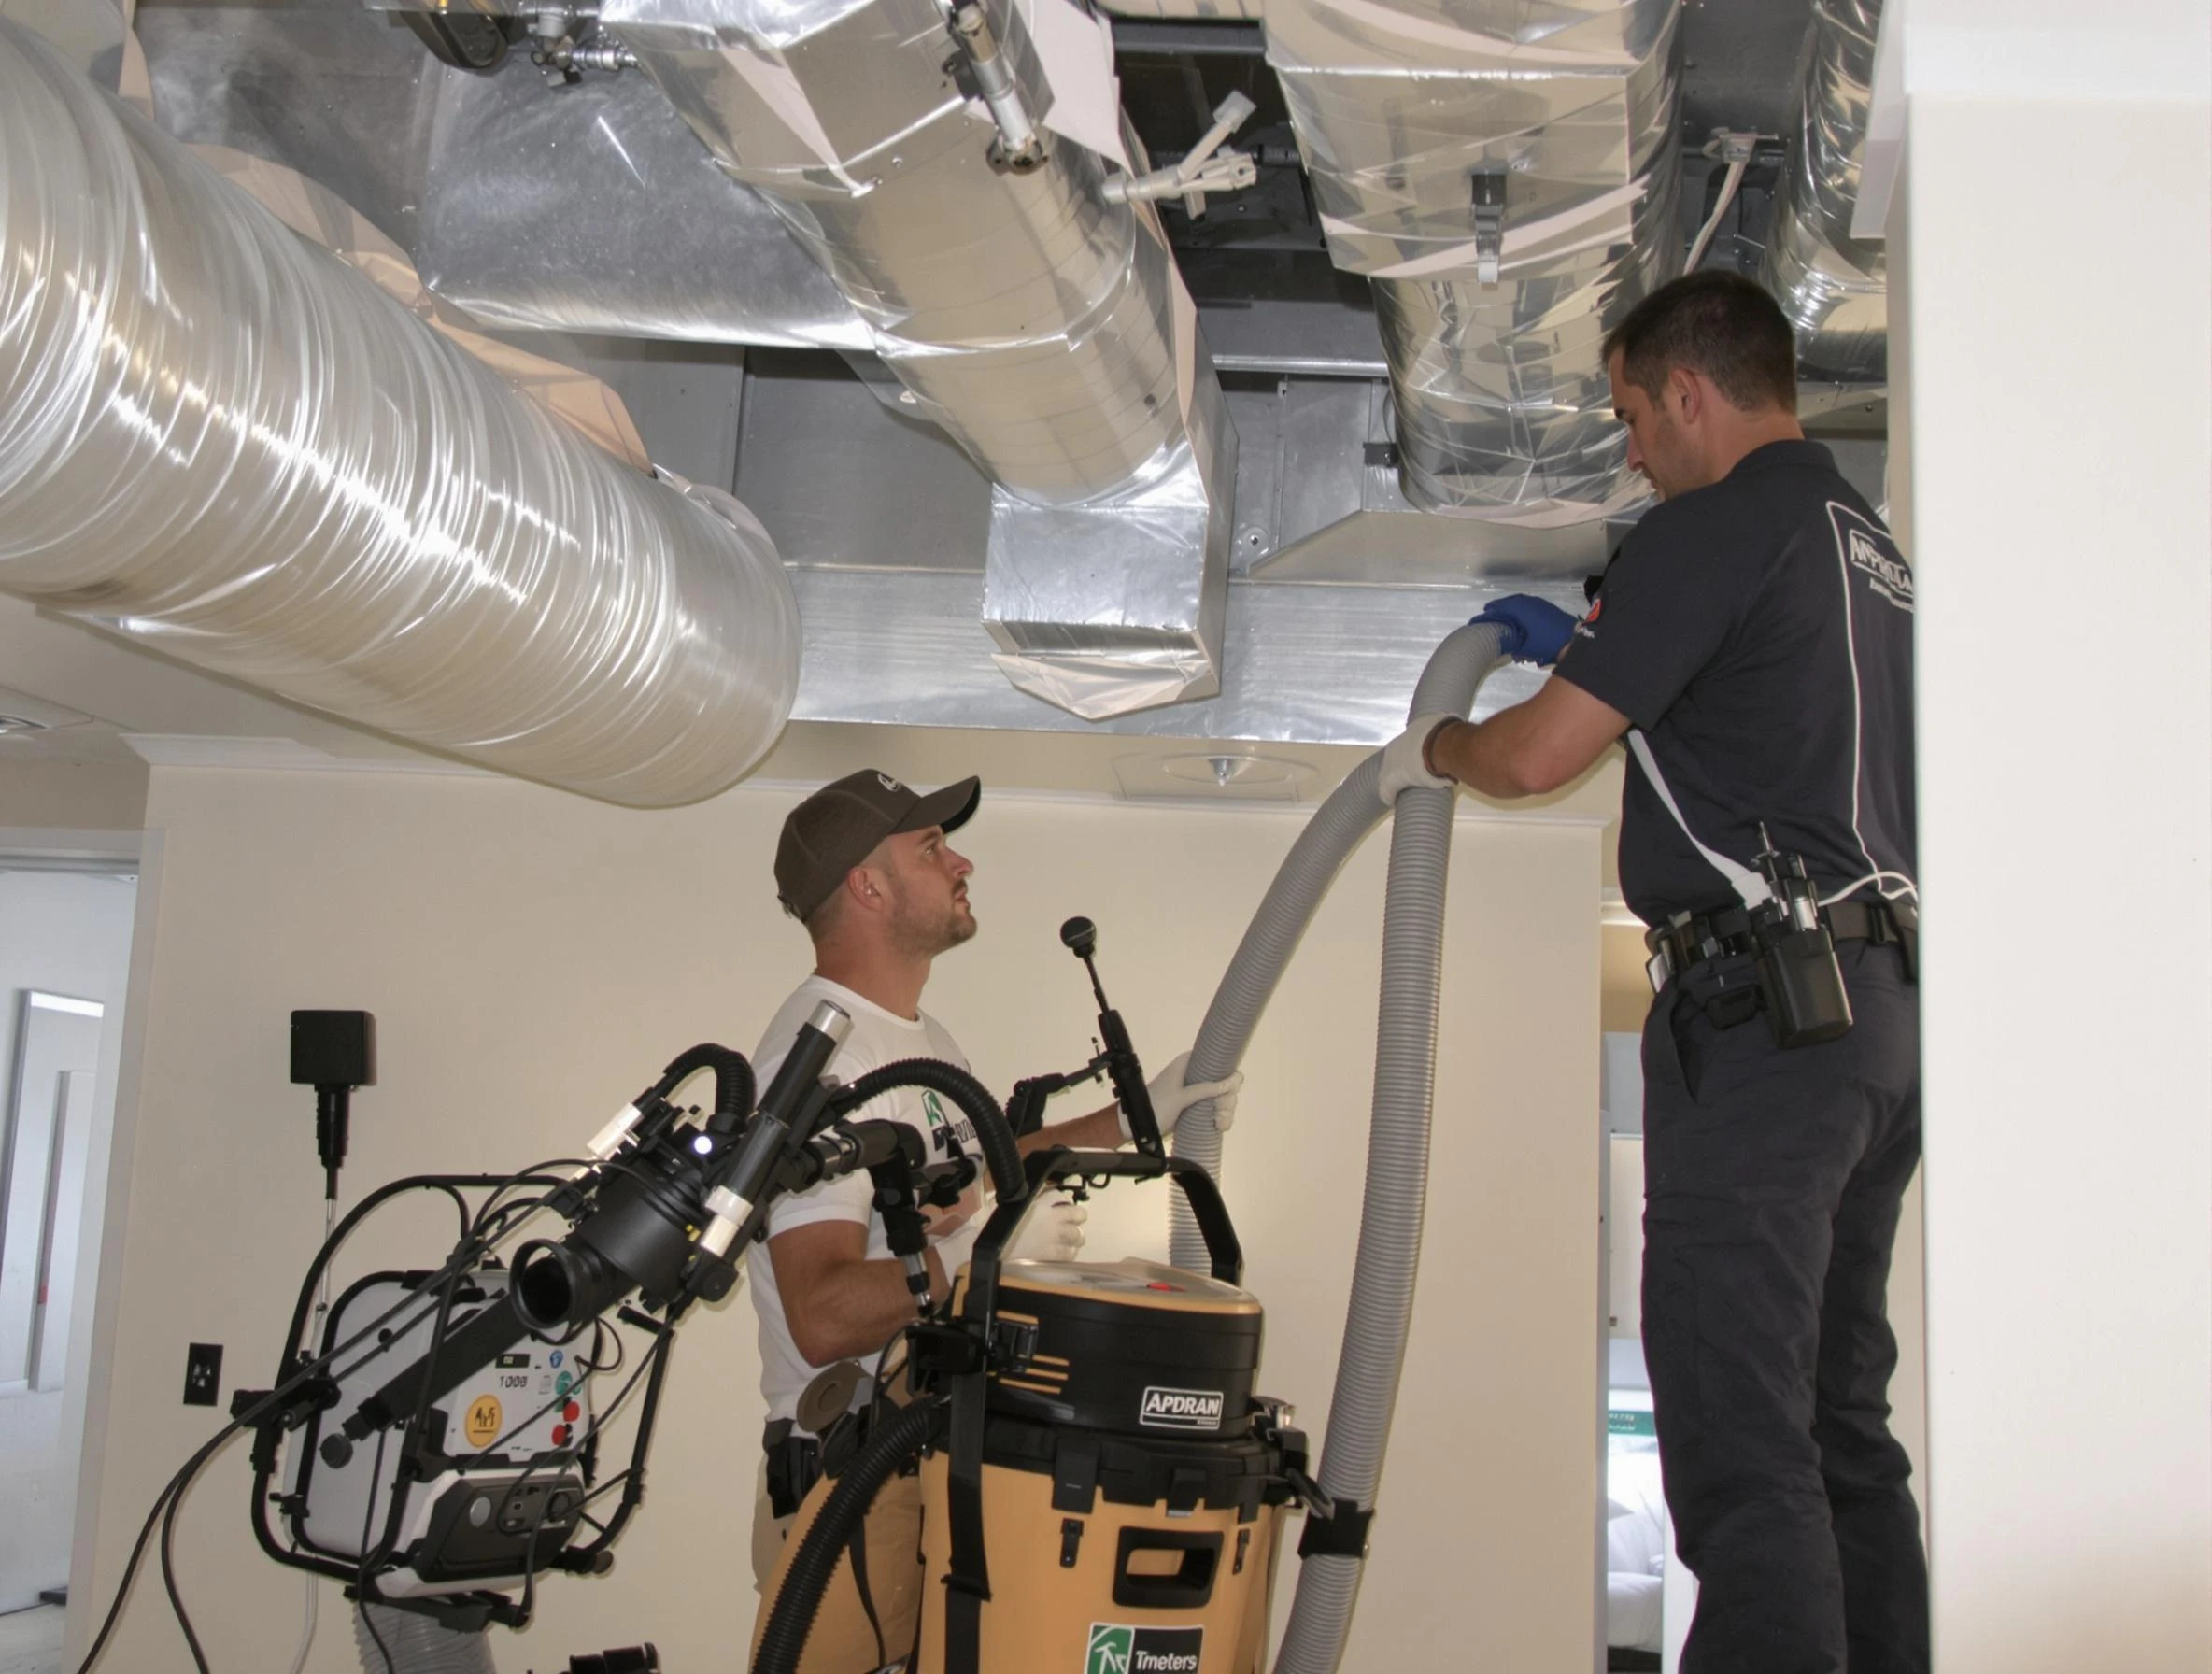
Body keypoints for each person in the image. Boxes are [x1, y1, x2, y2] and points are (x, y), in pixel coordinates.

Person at [1380, 272, 1925, 1674]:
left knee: (1742, 1442)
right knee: (1836, 1427)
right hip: (1879, 1026)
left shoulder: (1711, 528)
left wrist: (1435, 749)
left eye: (1632, 413)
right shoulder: (1868, 545)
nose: (1631, 446)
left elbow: (1535, 757)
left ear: (1691, 390)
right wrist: (1620, 656)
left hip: (1763, 1029)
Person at [747, 767, 1241, 1674]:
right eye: (931, 848)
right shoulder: (821, 1055)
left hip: (919, 1465)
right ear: (866, 886)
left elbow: (986, 1177)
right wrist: (959, 1250)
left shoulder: (915, 1038)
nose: (961, 859)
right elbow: (820, 1314)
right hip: (852, 1484)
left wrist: (1144, 1115)